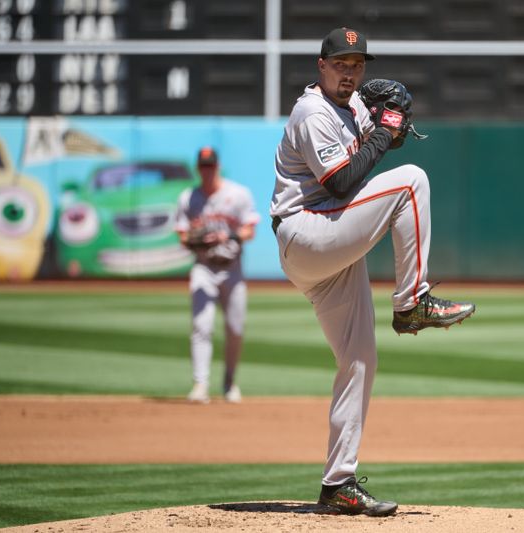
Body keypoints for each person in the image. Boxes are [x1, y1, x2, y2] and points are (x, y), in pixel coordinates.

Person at [269, 28, 475, 516]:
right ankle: (411, 302)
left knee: (359, 360)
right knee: (411, 183)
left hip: (330, 245)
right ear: (321, 66)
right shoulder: (312, 111)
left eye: (358, 64)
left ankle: (337, 484)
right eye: (342, 63)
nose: (351, 72)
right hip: (305, 232)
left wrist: (390, 131)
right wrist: (384, 133)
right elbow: (341, 182)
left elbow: (366, 160)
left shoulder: (354, 107)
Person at [176, 146, 259, 404]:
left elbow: (250, 230)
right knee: (202, 325)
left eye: (211, 165)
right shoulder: (189, 198)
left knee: (235, 328)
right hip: (203, 267)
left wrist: (228, 236)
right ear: (198, 168)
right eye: (203, 165)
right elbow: (182, 235)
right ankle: (200, 384)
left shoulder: (237, 194)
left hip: (232, 268)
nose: (208, 170)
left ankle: (229, 381)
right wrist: (197, 240)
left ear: (218, 166)